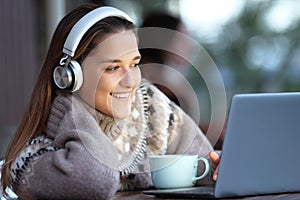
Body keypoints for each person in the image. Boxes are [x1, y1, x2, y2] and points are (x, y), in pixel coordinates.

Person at [1, 4, 220, 200]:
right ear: (70, 76)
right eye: (113, 68)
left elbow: (206, 166)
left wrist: (219, 168)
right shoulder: (31, 158)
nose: (131, 81)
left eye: (134, 64)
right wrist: (74, 109)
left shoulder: (149, 105)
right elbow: (95, 179)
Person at [139, 11, 199, 122]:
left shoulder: (169, 83)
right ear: (162, 40)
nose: (190, 46)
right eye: (182, 38)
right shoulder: (143, 86)